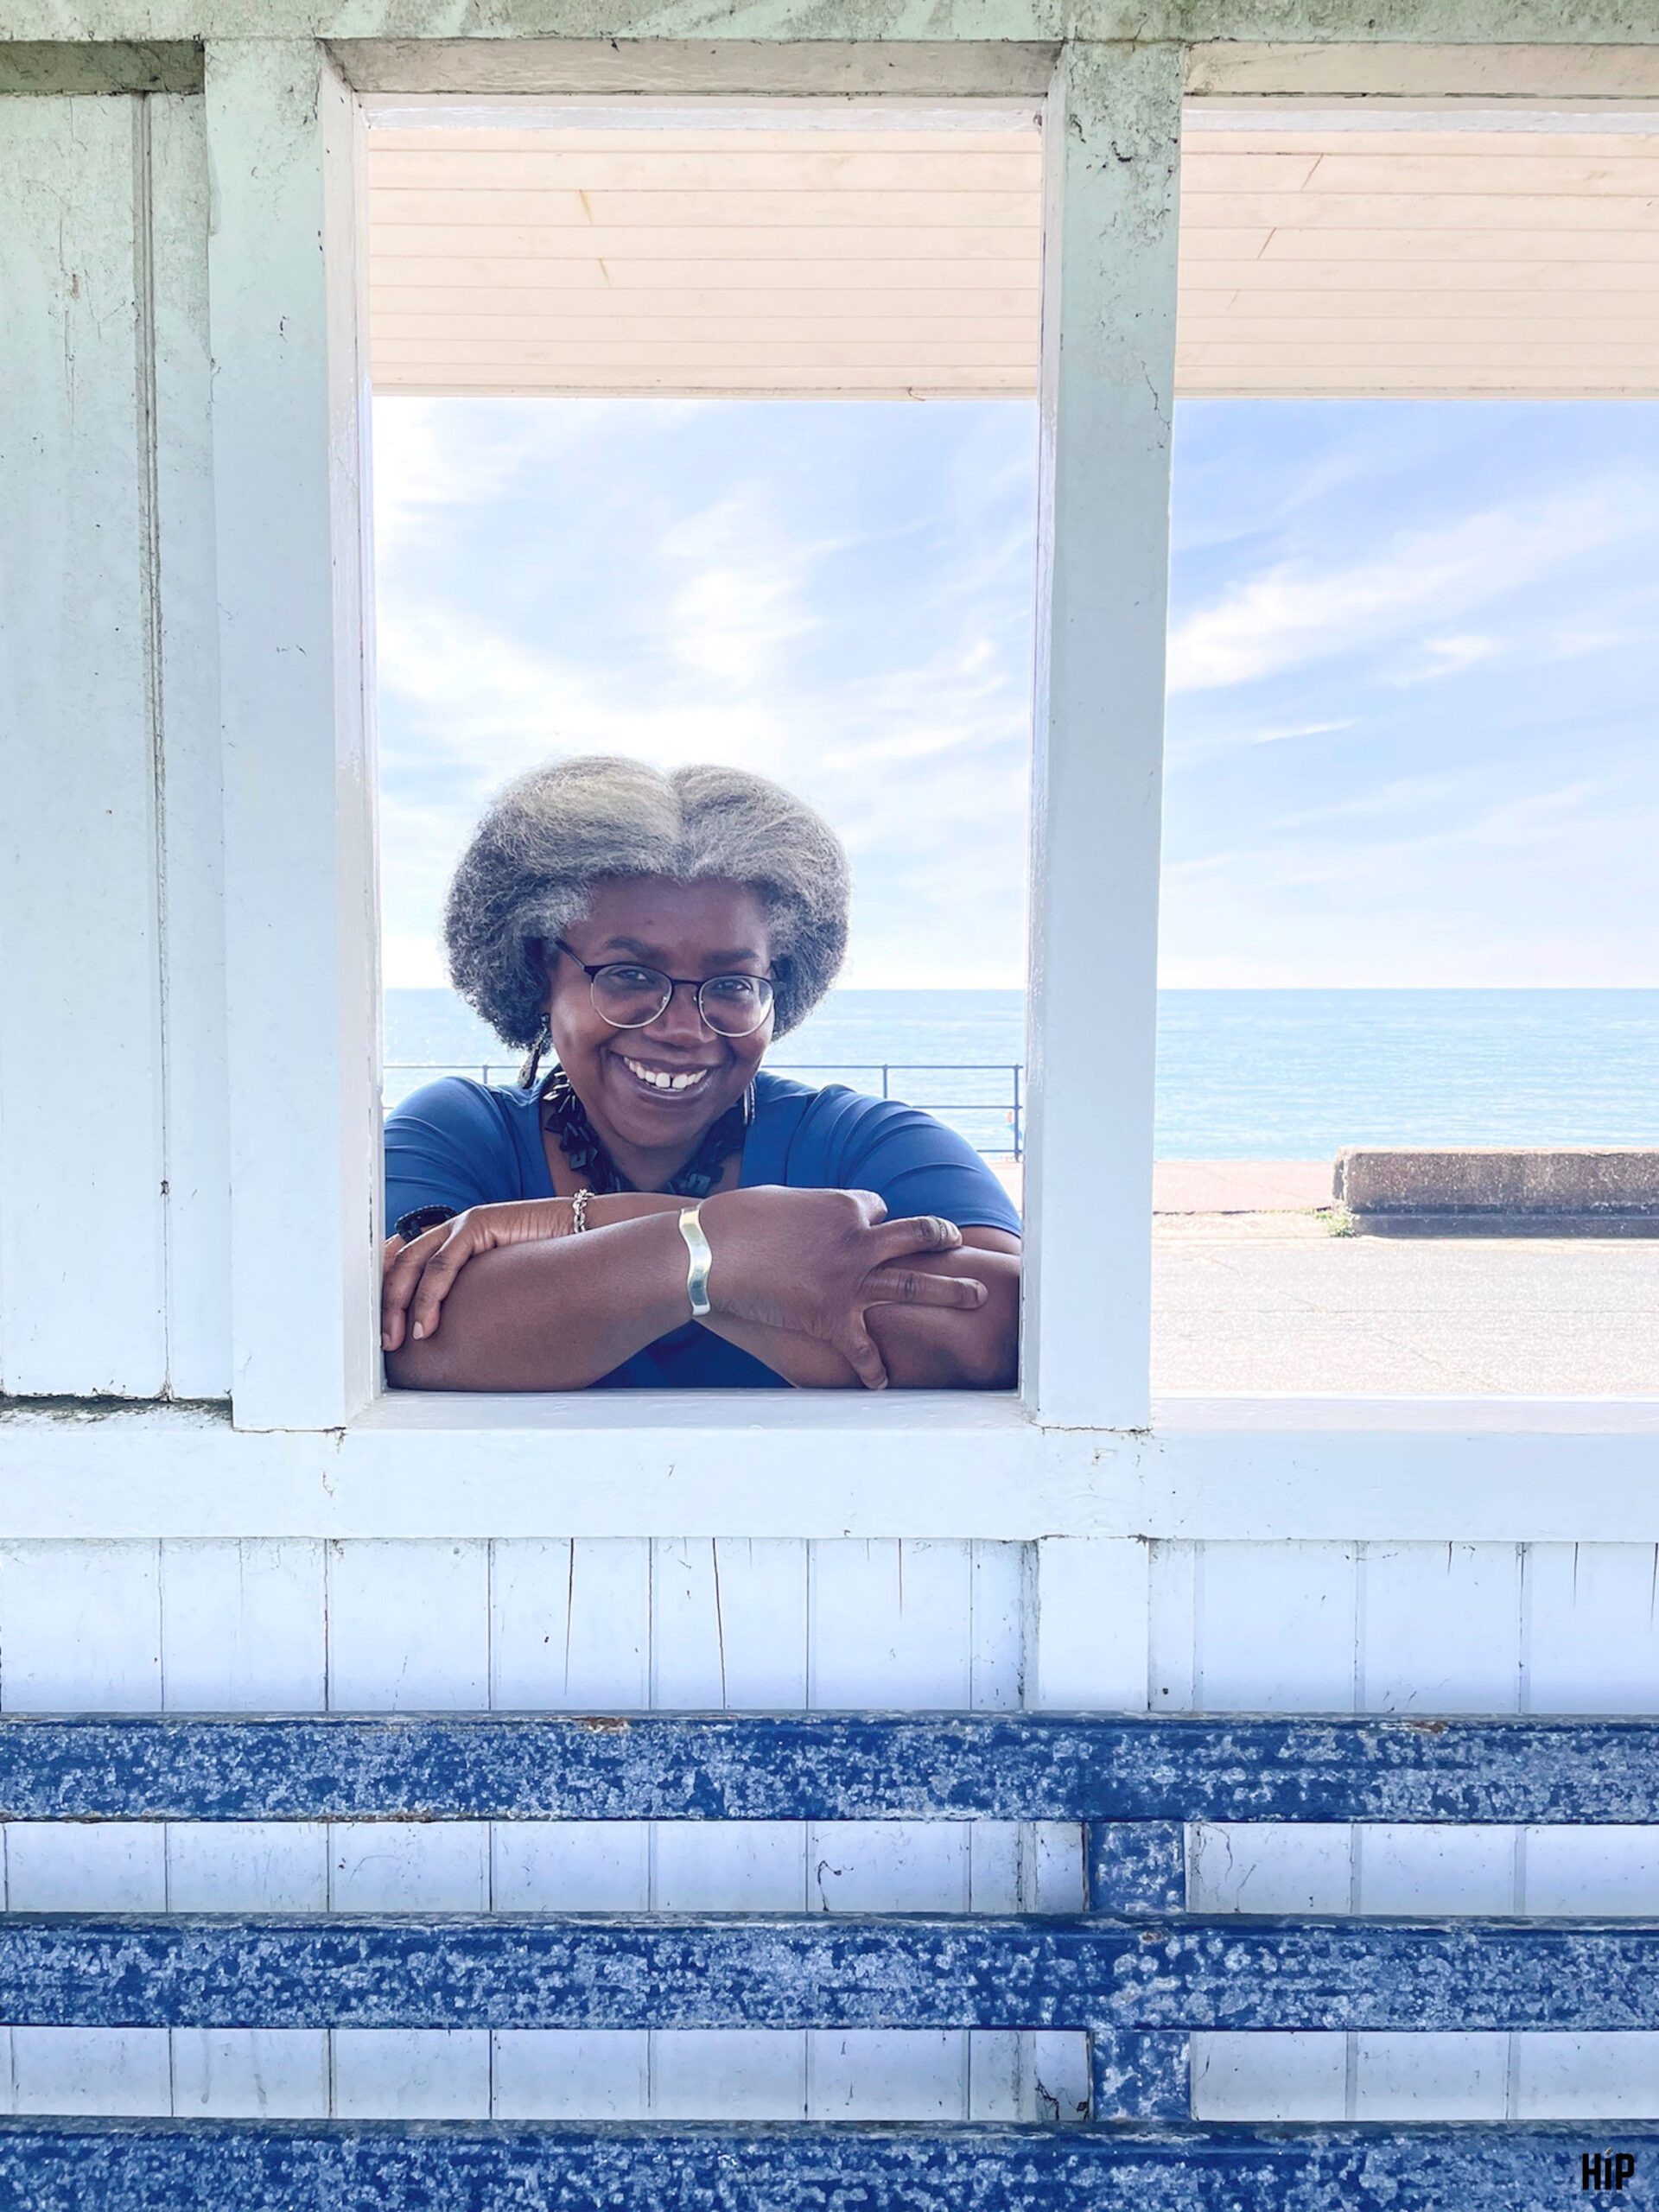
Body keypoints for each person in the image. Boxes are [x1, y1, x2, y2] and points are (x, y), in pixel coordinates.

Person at [382, 756, 1020, 1391]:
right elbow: (413, 1337)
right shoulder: (458, 1134)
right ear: (541, 972)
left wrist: (607, 1238)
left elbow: (1006, 1328)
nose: (684, 1028)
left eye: (732, 984)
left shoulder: (868, 1144)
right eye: (629, 974)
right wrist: (720, 1248)